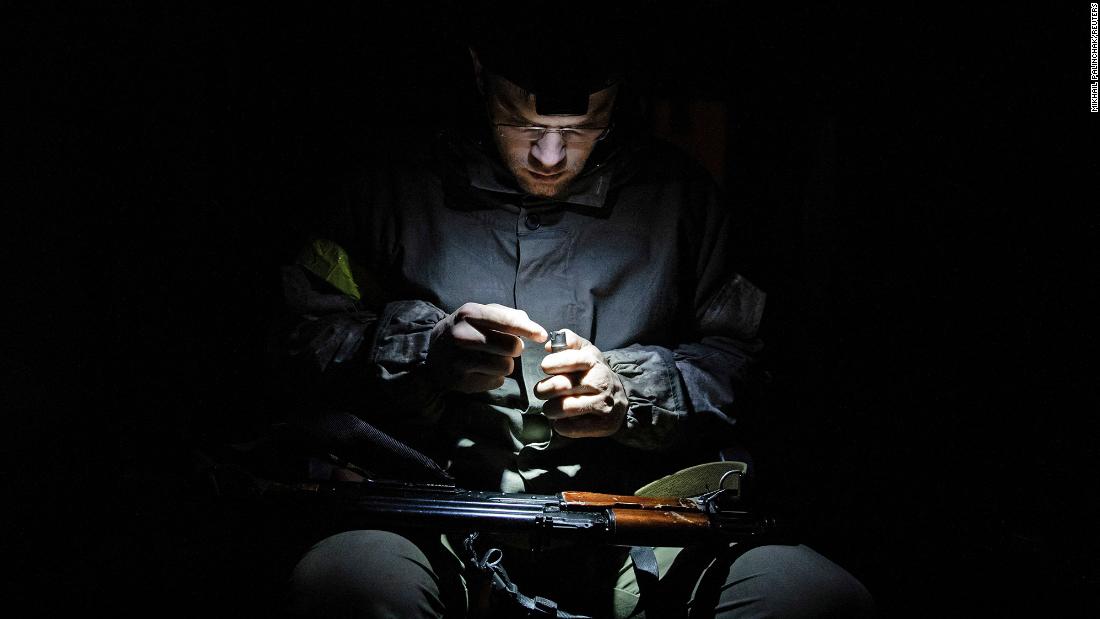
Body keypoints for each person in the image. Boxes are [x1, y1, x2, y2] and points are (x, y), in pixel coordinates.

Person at [273, 8, 875, 618]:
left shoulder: (681, 201)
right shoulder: (388, 191)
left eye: (584, 126)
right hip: (432, 514)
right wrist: (422, 354)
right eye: (523, 123)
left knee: (812, 599)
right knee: (348, 589)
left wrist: (633, 396)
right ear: (479, 73)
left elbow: (750, 367)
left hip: (640, 520)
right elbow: (300, 335)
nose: (551, 156)